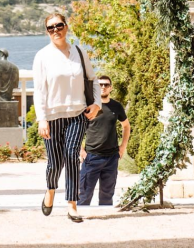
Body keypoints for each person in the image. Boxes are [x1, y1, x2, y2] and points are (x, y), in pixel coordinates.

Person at [31, 13, 101, 223]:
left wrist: (96, 104)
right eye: (50, 28)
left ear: (66, 27)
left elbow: (93, 79)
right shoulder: (42, 56)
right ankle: (50, 190)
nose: (55, 30)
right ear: (47, 32)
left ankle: (72, 204)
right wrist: (41, 118)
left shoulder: (79, 53)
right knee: (54, 163)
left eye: (58, 26)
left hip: (77, 114)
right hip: (52, 117)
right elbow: (39, 90)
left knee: (71, 155)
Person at [78, 75, 130, 206]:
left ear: (110, 88)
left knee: (107, 195)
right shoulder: (89, 107)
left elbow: (126, 126)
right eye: (100, 85)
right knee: (84, 194)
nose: (103, 87)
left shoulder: (116, 106)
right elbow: (77, 128)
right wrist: (81, 150)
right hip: (91, 157)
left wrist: (122, 147)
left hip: (111, 158)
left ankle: (106, 221)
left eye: (106, 85)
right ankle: (81, 220)